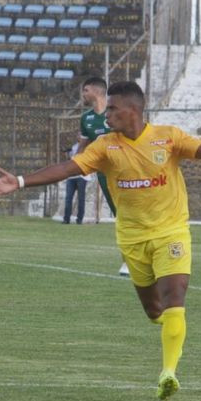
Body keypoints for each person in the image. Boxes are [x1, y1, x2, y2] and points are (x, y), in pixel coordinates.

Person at [0, 81, 201, 400]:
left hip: (171, 232)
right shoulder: (105, 146)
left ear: (133, 110)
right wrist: (21, 181)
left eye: (113, 109)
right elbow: (68, 168)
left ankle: (168, 372)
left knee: (175, 296)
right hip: (132, 239)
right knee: (153, 311)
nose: (107, 115)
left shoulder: (169, 137)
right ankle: (169, 330)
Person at [77, 76, 129, 276]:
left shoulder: (116, 114)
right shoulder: (87, 119)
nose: (83, 95)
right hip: (104, 177)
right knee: (121, 218)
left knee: (131, 217)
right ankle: (128, 261)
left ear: (96, 91)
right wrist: (77, 169)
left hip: (126, 173)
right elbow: (82, 148)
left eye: (85, 90)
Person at [63, 133, 92, 224]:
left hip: (82, 176)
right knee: (68, 198)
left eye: (81, 135)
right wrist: (67, 153)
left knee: (80, 198)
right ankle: (66, 219)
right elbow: (70, 160)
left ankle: (79, 219)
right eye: (78, 135)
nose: (79, 136)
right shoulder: (74, 146)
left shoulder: (88, 147)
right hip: (71, 176)